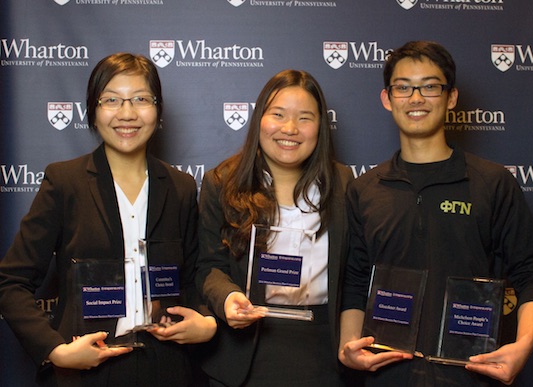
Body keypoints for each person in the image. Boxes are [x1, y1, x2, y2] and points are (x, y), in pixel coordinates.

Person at [338, 41, 533, 386]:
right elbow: (355, 279)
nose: (416, 98)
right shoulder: (364, 189)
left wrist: (524, 345)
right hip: (388, 374)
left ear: (451, 97)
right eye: (403, 87)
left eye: (430, 86)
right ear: (387, 98)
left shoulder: (492, 182)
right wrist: (348, 345)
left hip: (471, 372)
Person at [0, 53, 216, 386]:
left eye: (141, 99)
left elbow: (193, 279)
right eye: (111, 100)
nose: (127, 113)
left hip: (169, 368)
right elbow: (11, 282)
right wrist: (55, 350)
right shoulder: (65, 181)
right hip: (86, 369)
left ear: (158, 111)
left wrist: (206, 320)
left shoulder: (181, 187)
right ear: (93, 111)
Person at [195, 69, 356, 386]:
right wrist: (228, 298)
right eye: (278, 115)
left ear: (321, 127)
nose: (290, 129)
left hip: (322, 349)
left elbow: (354, 271)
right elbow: (208, 265)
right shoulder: (221, 182)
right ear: (259, 121)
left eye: (305, 118)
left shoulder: (343, 183)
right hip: (245, 349)